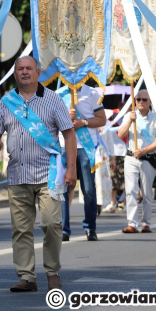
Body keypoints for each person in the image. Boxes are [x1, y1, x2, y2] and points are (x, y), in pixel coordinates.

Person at [0, 56, 77, 292]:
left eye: (29, 68)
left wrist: (71, 168)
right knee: (21, 229)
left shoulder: (53, 100)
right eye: (20, 69)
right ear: (15, 73)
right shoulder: (6, 102)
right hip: (17, 174)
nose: (24, 72)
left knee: (51, 224)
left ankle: (52, 271)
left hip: (50, 174)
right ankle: (27, 276)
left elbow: (69, 134)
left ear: (38, 72)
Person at [57, 84, 106, 242]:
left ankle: (90, 227)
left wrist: (83, 122)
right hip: (65, 146)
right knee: (64, 189)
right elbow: (50, 121)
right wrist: (65, 116)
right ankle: (64, 229)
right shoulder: (59, 94)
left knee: (89, 190)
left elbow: (101, 119)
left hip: (86, 147)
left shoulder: (92, 92)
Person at [117, 90, 156, 234]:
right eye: (138, 99)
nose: (141, 102)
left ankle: (146, 223)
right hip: (131, 157)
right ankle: (132, 223)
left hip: (147, 158)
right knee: (130, 191)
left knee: (147, 193)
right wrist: (130, 121)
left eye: (144, 99)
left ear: (150, 102)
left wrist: (144, 151)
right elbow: (120, 134)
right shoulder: (129, 115)